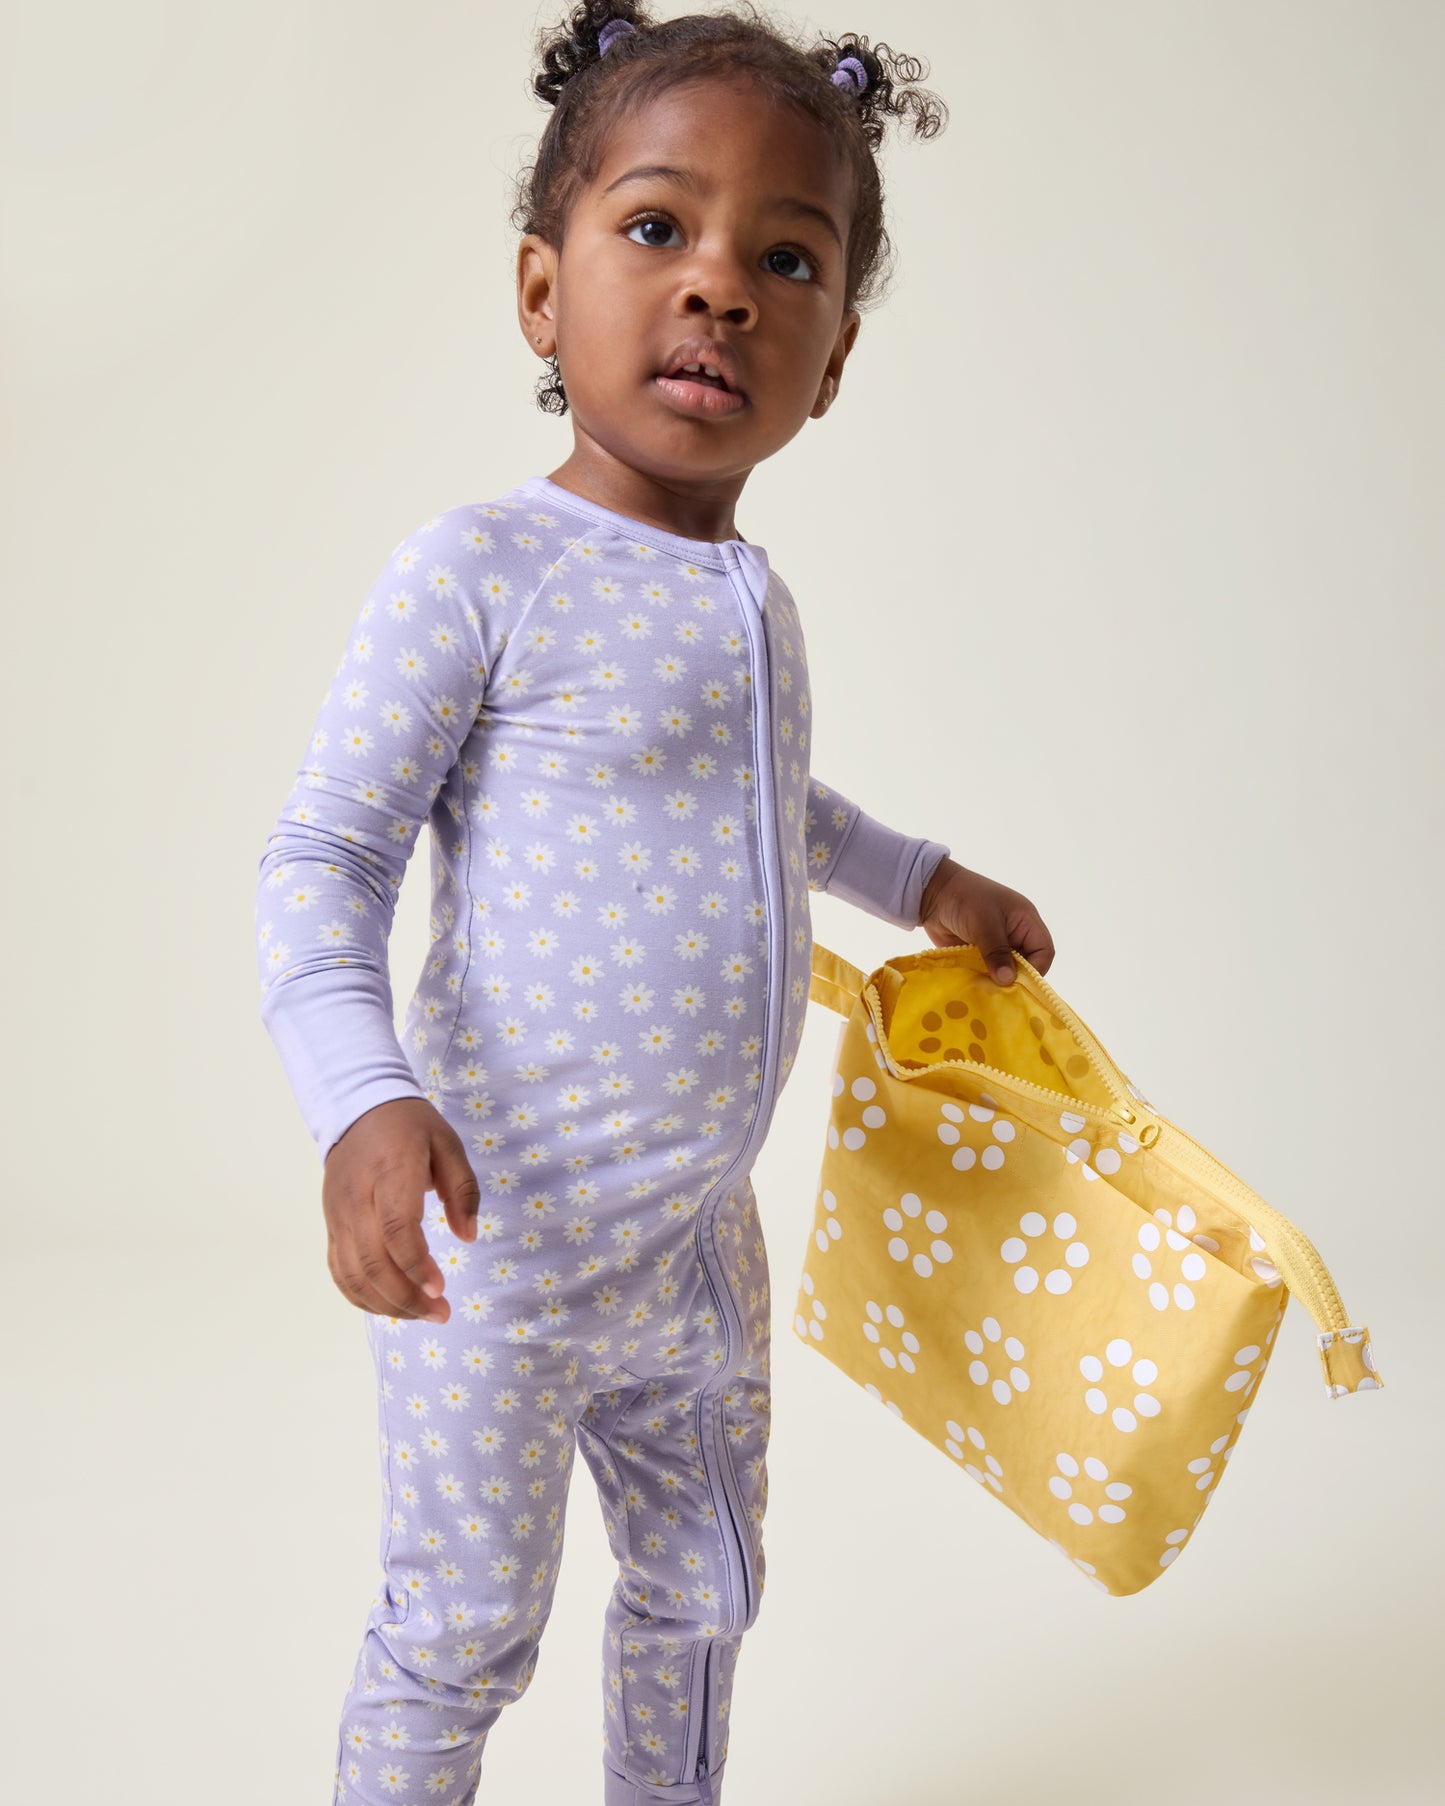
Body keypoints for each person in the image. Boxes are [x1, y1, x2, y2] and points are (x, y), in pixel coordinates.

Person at [253, 6, 1056, 1803]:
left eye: (787, 259)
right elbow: (323, 857)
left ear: (833, 360)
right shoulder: (481, 569)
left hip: (699, 1245)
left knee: (707, 1589)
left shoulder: (755, 600)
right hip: (502, 1246)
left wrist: (919, 879)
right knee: (462, 1627)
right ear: (541, 292)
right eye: (655, 228)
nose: (719, 288)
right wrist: (362, 1098)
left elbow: (770, 804)